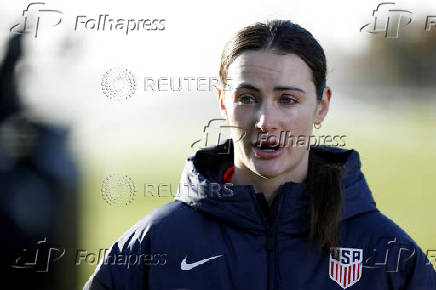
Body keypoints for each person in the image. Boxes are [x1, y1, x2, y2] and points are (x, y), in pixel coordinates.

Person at [84, 19, 436, 290]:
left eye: (288, 100)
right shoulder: (152, 245)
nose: (265, 121)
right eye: (247, 98)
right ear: (223, 103)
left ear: (321, 106)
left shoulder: (388, 252)